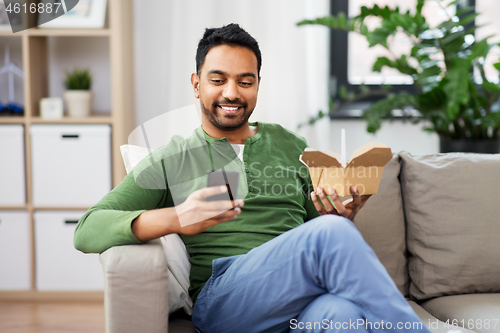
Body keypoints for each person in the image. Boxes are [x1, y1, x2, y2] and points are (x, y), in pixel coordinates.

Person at [74, 23, 431, 333]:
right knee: (333, 238)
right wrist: (177, 218)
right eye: (218, 80)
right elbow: (88, 228)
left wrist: (339, 216)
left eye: (245, 81)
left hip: (297, 299)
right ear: (197, 84)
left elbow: (315, 233)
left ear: (258, 85)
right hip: (225, 301)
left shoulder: (291, 145)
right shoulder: (172, 158)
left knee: (342, 314)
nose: (232, 92)